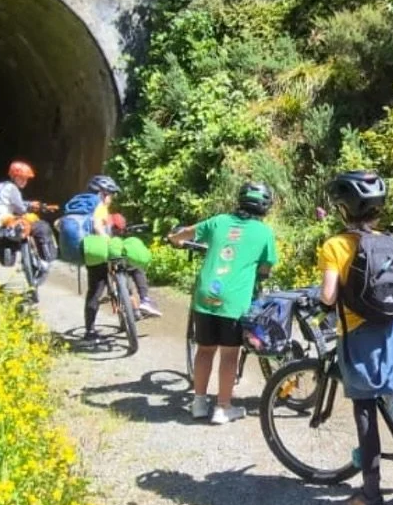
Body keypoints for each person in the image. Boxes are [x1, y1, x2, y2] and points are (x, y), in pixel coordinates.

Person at [318, 170, 393, 505]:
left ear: (344, 209)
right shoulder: (390, 242)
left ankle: (370, 496)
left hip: (361, 338)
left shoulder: (335, 246)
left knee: (365, 411)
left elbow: (329, 296)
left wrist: (320, 301)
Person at [168, 181, 278, 424]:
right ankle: (223, 407)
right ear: (265, 208)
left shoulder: (218, 221)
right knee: (229, 354)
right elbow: (266, 266)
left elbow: (185, 234)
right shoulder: (264, 233)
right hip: (234, 300)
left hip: (205, 294)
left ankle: (198, 403)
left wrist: (174, 238)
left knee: (205, 349)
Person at [79, 176, 161, 339]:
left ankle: (90, 331)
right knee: (133, 266)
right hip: (104, 249)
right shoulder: (99, 205)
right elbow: (97, 226)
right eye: (111, 194)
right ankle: (144, 300)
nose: (112, 198)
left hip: (92, 253)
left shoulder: (84, 208)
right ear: (103, 193)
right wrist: (107, 240)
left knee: (95, 291)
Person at [0, 160, 54, 284]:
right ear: (14, 177)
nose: (25, 181)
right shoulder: (13, 188)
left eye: (26, 179)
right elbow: (20, 209)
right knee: (31, 227)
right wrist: (31, 207)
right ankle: (39, 260)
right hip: (3, 222)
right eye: (22, 178)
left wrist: (27, 204)